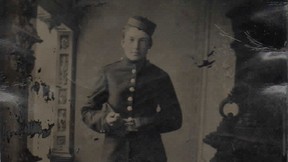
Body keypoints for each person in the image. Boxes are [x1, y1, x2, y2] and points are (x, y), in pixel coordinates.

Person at [81, 16, 182, 162]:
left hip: (150, 154)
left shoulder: (160, 76)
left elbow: (175, 118)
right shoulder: (109, 73)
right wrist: (105, 120)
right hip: (115, 153)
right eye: (131, 40)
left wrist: (143, 123)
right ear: (123, 42)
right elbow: (87, 111)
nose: (136, 46)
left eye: (142, 41)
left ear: (149, 45)